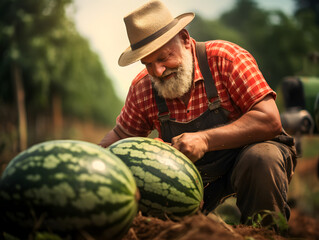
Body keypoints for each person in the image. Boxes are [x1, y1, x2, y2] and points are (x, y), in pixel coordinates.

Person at [99, 0, 297, 227]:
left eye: (163, 58)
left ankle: (266, 232)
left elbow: (269, 120)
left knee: (262, 158)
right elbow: (120, 135)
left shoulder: (226, 59)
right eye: (148, 64)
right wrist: (91, 163)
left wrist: (205, 139)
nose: (158, 72)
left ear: (184, 39)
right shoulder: (143, 88)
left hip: (249, 157)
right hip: (196, 178)